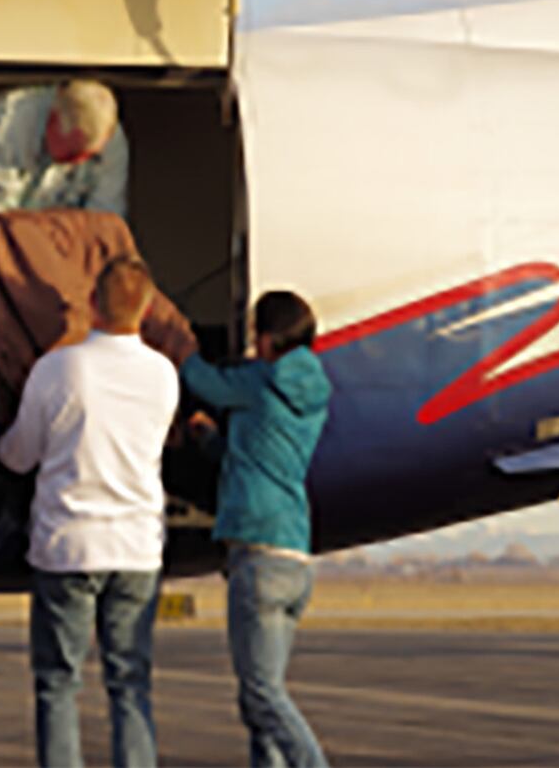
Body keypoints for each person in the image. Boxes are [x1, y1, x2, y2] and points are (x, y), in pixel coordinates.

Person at [0, 255, 178, 768]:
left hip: (68, 545)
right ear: (146, 310)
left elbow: (19, 455)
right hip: (137, 547)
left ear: (93, 303)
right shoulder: (163, 375)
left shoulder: (59, 368)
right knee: (130, 684)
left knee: (58, 683)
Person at [179, 292, 333, 768]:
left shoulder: (262, 379)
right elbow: (256, 454)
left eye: (253, 335)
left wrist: (177, 340)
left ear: (267, 339)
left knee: (262, 695)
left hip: (258, 556)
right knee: (262, 698)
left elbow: (202, 380)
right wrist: (210, 439)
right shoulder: (310, 392)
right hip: (294, 555)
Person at [0, 80, 129, 216]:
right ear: (53, 121)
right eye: (73, 154)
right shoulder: (4, 123)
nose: (79, 162)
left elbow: (105, 219)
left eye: (90, 156)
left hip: (58, 232)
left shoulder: (110, 139)